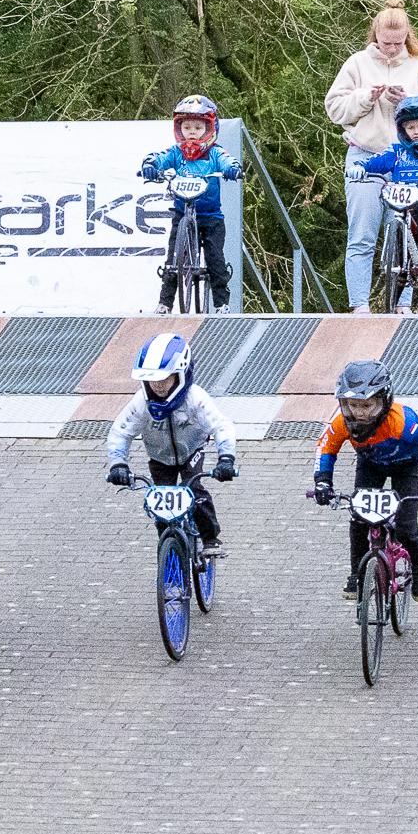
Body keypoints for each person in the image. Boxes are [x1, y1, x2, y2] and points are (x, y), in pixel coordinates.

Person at [324, 0, 418, 313]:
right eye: (385, 43)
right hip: (365, 156)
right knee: (362, 234)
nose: (391, 49)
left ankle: (403, 304)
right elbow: (334, 109)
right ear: (375, 35)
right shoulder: (357, 64)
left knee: (407, 233)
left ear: (406, 37)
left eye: (397, 43)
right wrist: (367, 97)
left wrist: (409, 102)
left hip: (407, 160)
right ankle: (359, 305)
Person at [311, 360, 418, 601]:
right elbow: (325, 449)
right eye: (353, 405)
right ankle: (357, 574)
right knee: (358, 520)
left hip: (405, 467)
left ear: (383, 401)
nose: (360, 413)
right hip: (370, 466)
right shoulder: (341, 423)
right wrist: (323, 482)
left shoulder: (404, 421)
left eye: (367, 405)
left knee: (406, 527)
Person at [104, 333, 239, 550]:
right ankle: (168, 549)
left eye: (164, 378)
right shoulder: (141, 403)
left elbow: (221, 426)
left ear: (180, 375)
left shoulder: (195, 398)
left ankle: (210, 539)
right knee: (161, 506)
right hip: (159, 458)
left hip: (191, 452)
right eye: (152, 379)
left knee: (194, 491)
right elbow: (120, 432)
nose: (157, 385)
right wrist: (118, 464)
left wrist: (226, 459)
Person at [343, 97, 418, 312]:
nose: (416, 132)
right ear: (402, 129)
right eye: (410, 127)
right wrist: (359, 167)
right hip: (403, 206)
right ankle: (395, 300)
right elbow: (375, 162)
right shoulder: (396, 151)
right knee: (400, 250)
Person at [139, 95, 242, 314]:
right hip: (182, 212)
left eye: (198, 127)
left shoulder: (215, 153)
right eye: (186, 127)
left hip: (211, 216)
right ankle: (165, 304)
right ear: (179, 128)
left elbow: (227, 160)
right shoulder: (176, 153)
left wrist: (232, 169)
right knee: (173, 260)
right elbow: (159, 157)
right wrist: (150, 165)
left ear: (210, 128)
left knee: (215, 259)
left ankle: (221, 304)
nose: (192, 132)